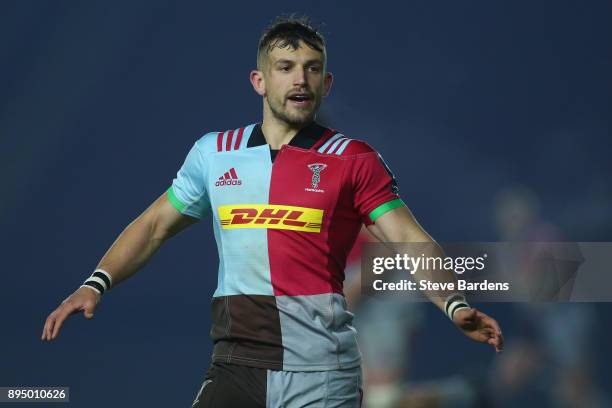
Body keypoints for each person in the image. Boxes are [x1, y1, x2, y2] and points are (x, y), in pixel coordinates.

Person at [41, 16, 503, 407]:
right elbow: (154, 225)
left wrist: (454, 303)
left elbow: (410, 240)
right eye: (285, 67)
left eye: (311, 68)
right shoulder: (214, 152)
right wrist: (95, 283)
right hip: (235, 365)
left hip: (320, 372)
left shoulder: (353, 159)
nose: (300, 79)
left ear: (326, 83)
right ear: (259, 81)